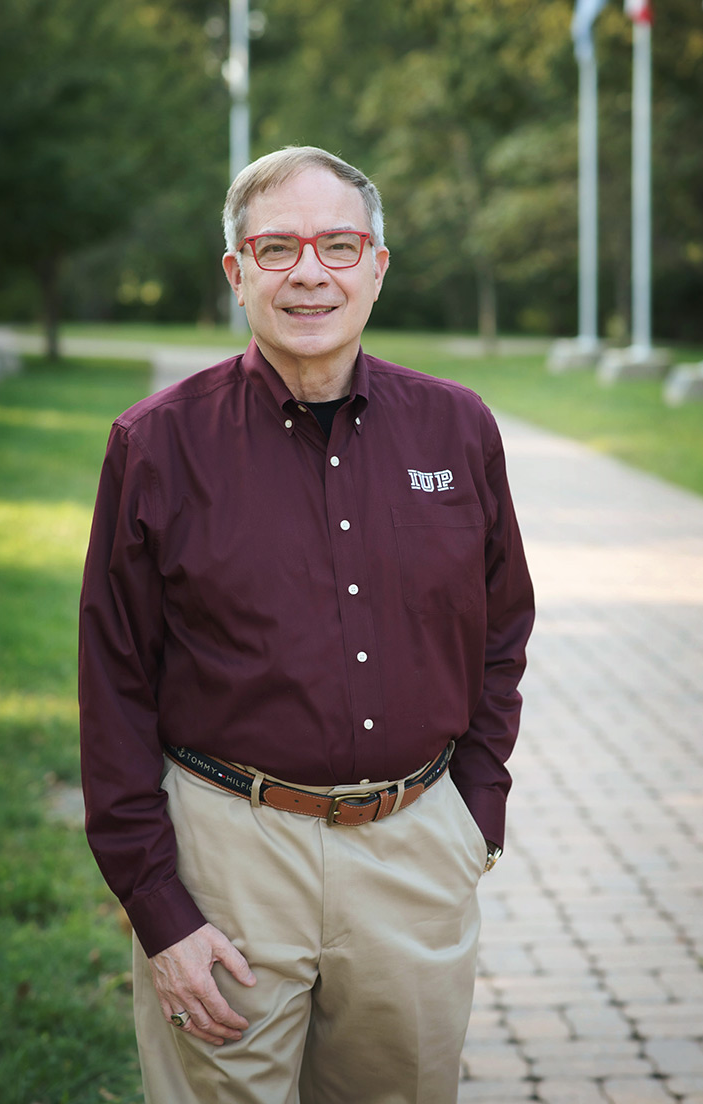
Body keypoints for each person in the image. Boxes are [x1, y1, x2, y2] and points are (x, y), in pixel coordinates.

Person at [79, 145, 534, 1104]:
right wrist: (158, 908)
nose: (309, 272)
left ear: (376, 263)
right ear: (236, 274)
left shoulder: (458, 430)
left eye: (337, 244)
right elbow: (114, 683)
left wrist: (474, 810)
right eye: (277, 248)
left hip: (415, 846)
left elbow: (502, 631)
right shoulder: (155, 445)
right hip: (228, 858)